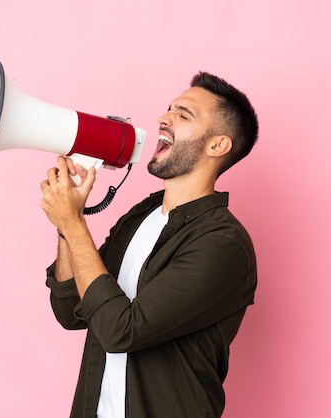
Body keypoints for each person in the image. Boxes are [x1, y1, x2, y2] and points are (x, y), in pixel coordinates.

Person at [39, 71, 259, 418]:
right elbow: (70, 311)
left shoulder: (223, 244)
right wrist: (69, 225)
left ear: (217, 145)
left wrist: (73, 221)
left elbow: (121, 330)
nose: (162, 118)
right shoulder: (141, 216)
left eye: (183, 114)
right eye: (169, 109)